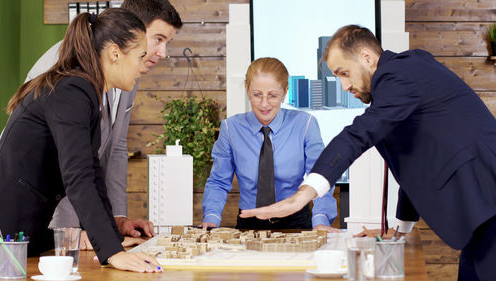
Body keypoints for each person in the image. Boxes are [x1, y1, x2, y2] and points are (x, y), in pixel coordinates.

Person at [240, 25, 496, 281]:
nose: (343, 85)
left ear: (366, 58)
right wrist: (399, 229)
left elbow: (357, 134)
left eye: (344, 73)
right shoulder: (405, 78)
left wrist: (302, 196)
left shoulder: (397, 75)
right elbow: (416, 160)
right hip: (482, 211)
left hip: (487, 199)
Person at [0, 9, 162, 272]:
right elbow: (79, 177)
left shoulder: (82, 89)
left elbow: (93, 175)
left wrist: (113, 240)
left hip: (28, 222)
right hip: (6, 226)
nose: (143, 65)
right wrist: (112, 253)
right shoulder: (72, 90)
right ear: (115, 54)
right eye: (140, 56)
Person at [26, 0, 183, 249]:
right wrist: (71, 231)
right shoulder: (67, 65)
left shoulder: (130, 70)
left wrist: (115, 220)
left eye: (168, 43)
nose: (163, 53)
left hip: (85, 210)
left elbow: (115, 146)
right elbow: (64, 160)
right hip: (43, 213)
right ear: (133, 30)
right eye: (159, 39)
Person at [201, 57, 339, 231]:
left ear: (285, 92)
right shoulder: (230, 129)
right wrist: (211, 219)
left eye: (272, 95)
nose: (264, 104)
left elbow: (320, 177)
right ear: (247, 89)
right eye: (257, 95)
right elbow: (218, 181)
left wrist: (320, 221)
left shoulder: (305, 125)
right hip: (249, 222)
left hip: (296, 222)